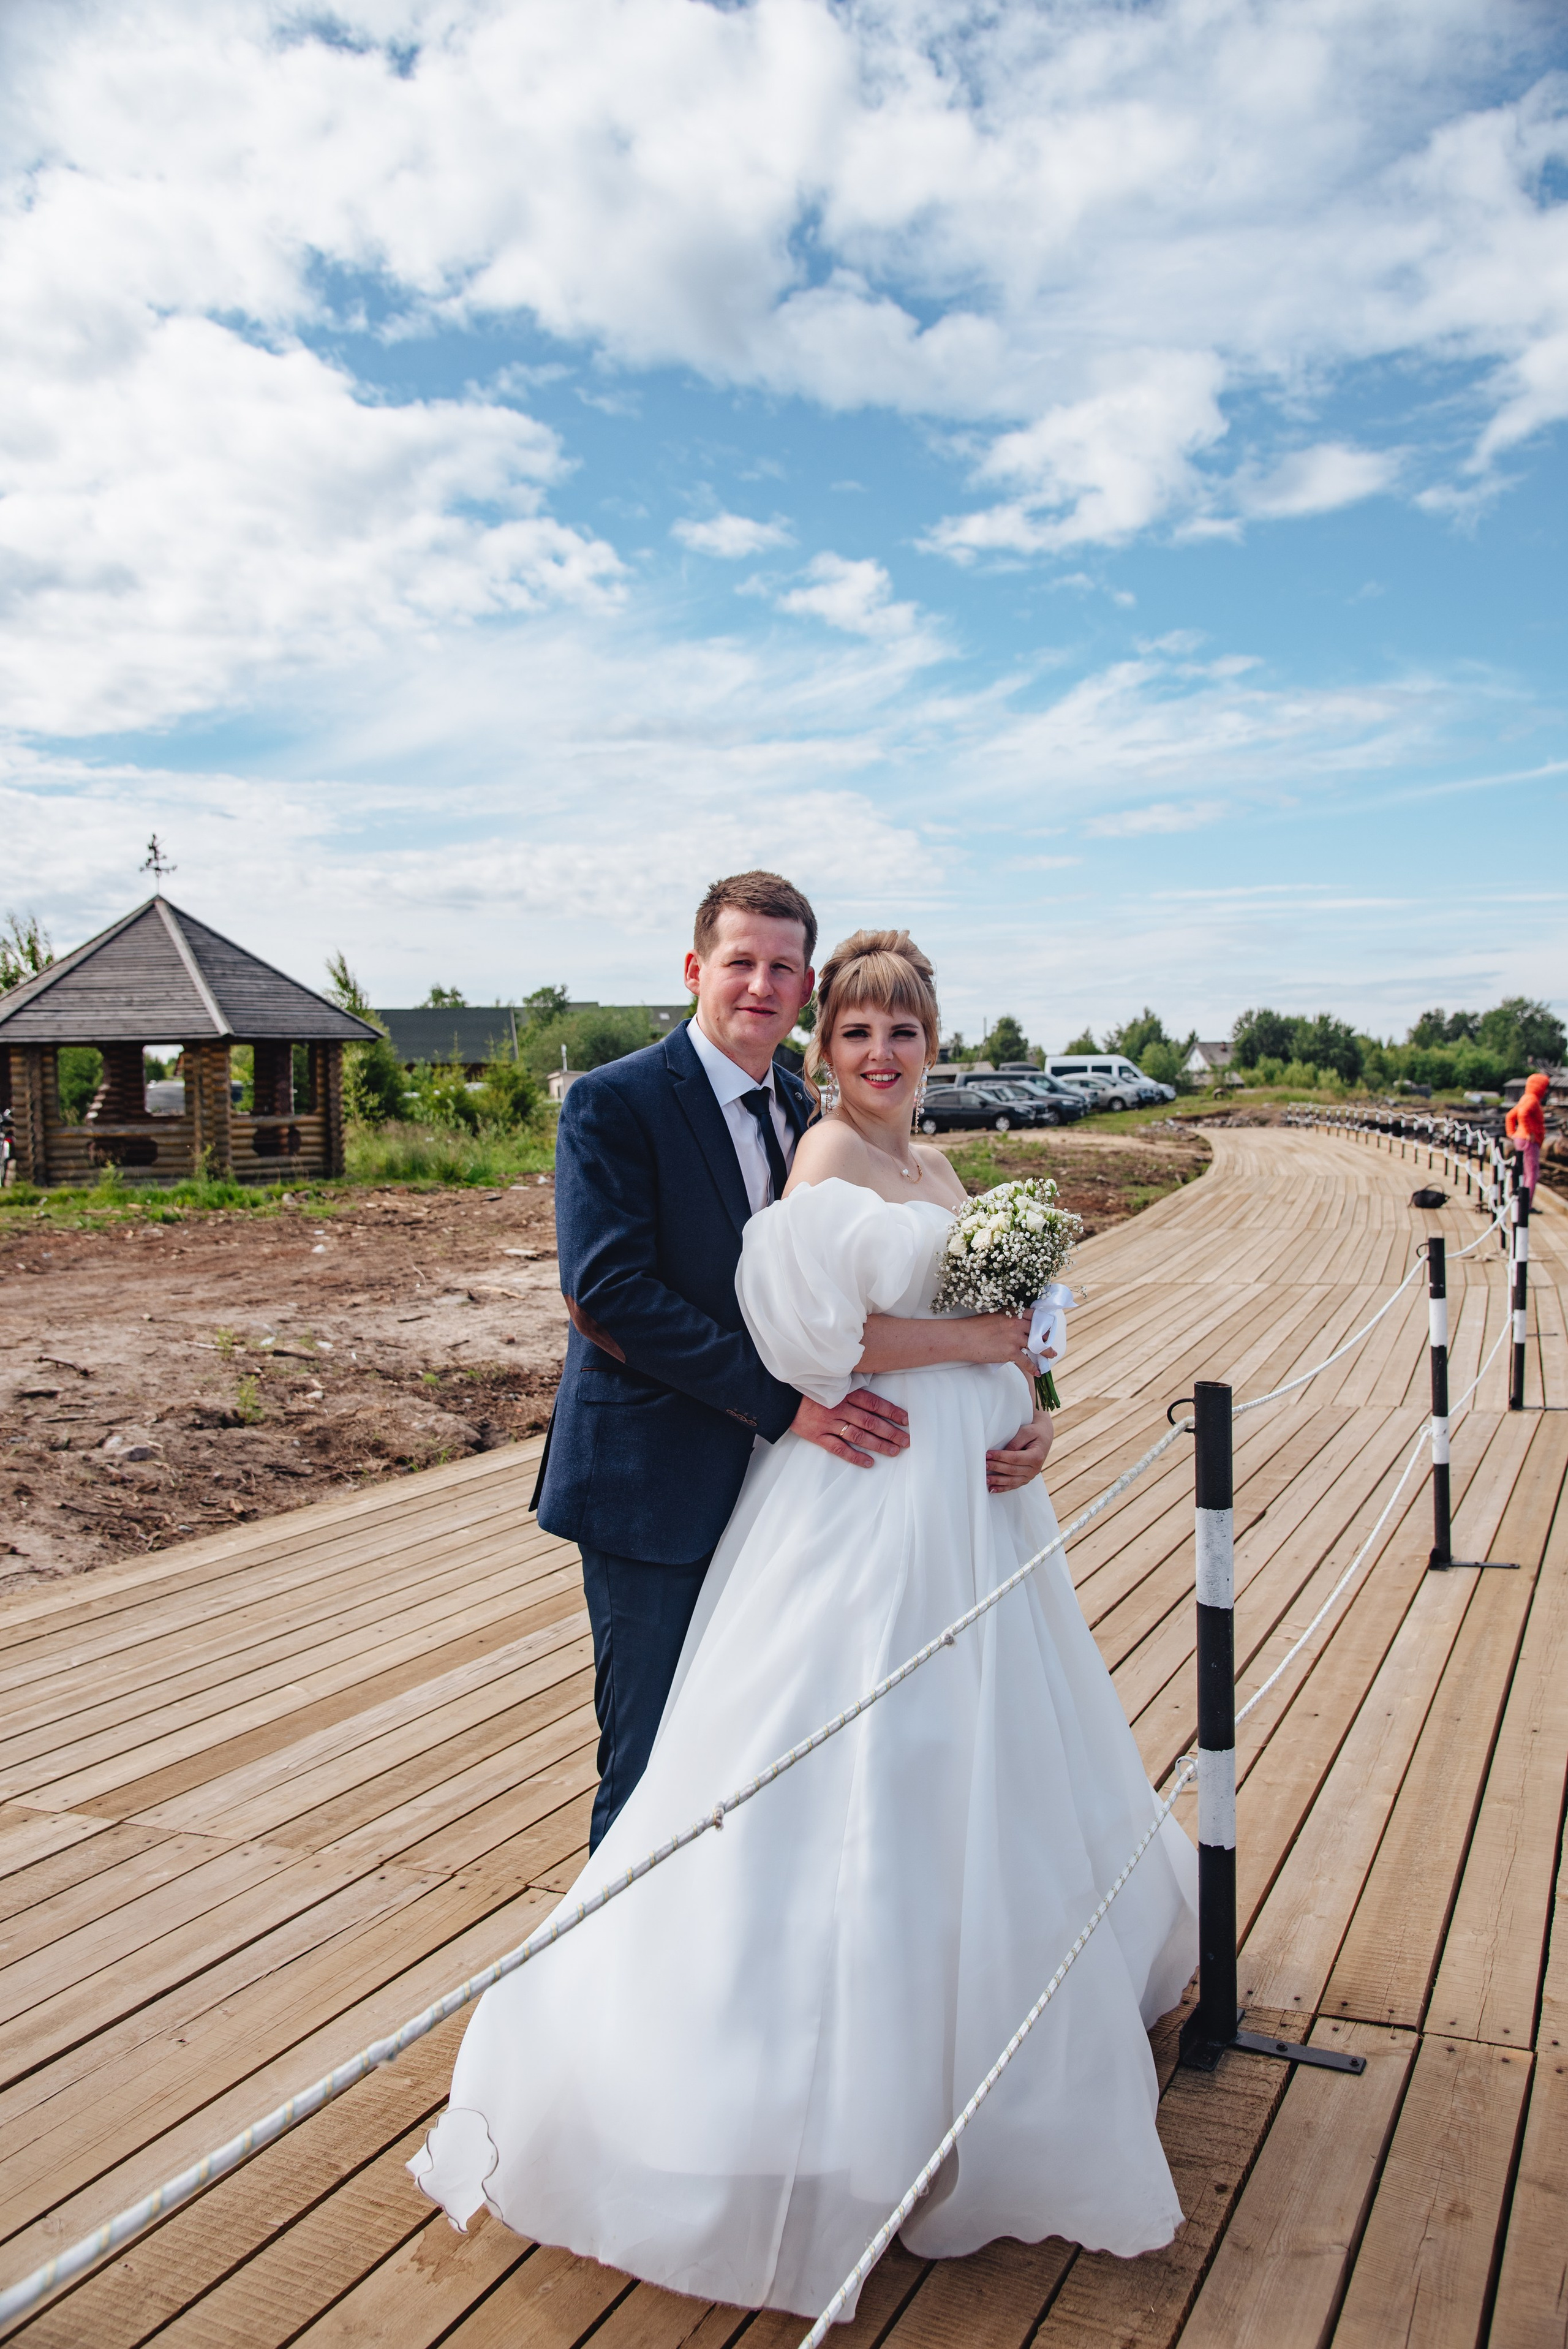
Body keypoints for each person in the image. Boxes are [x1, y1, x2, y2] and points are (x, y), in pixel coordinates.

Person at [413, 927, 1197, 2318]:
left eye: (900, 1031)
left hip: (969, 1493)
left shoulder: (939, 1162)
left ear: (932, 1039)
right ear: (821, 1047)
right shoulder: (825, 1156)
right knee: (831, 1758)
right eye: (856, 1033)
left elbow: (1022, 1315)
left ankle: (971, 2052)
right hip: (864, 1484)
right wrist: (976, 1347)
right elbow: (807, 1339)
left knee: (978, 1755)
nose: (879, 1053)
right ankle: (747, 2081)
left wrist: (1032, 1423)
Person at [531, 870, 1047, 1850]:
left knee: (756, 1745)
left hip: (792, 1475)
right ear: (696, 968)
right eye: (739, 963)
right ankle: (616, 1974)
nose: (759, 986)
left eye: (781, 967)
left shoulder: (805, 1106)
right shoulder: (616, 1101)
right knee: (654, 1753)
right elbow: (606, 1295)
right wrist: (784, 1401)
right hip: (661, 1474)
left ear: (805, 985)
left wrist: (1032, 1397)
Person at [1506, 1069, 1548, 1200]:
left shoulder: (1525, 1098)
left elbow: (1510, 1116)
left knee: (1524, 1172)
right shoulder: (1533, 1100)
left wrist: (1512, 1133)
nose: (1546, 1091)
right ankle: (1526, 1205)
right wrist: (1530, 1133)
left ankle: (1520, 1200)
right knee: (1532, 1173)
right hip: (1529, 1141)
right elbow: (1523, 1114)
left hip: (1520, 1138)